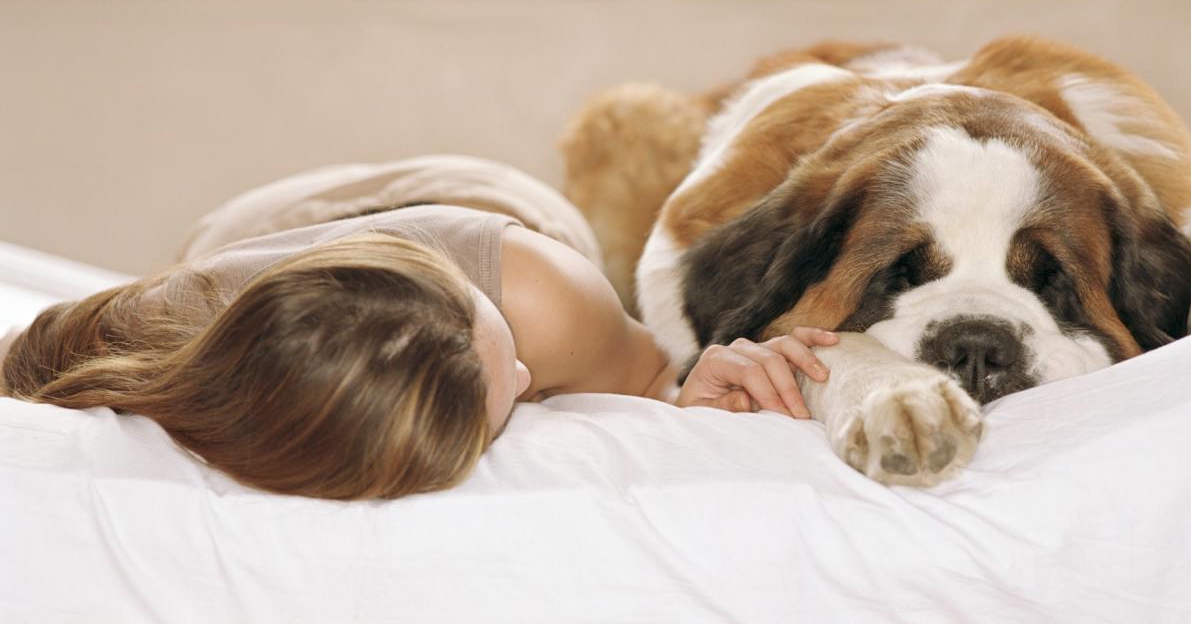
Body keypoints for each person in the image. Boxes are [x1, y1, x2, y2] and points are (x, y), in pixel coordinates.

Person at [1, 156, 838, 500]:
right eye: (504, 395)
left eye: (511, 367)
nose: (522, 383)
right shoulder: (156, 340)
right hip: (264, 246)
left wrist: (688, 391)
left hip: (469, 200)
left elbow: (657, 381)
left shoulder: (541, 300)